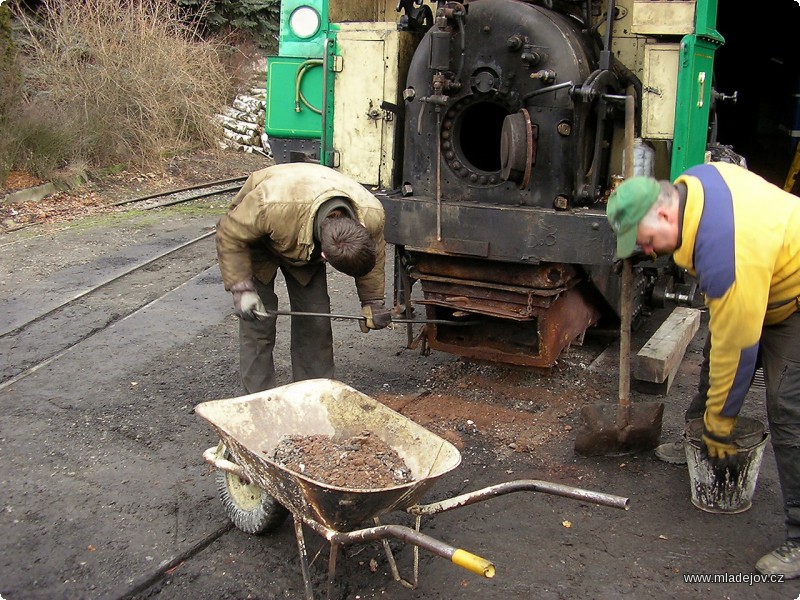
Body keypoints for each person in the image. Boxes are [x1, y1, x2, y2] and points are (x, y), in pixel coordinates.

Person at [606, 163, 800, 578]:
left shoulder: (725, 250)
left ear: (662, 214)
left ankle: (799, 539)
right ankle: (699, 444)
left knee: (786, 411)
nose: (651, 252)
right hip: (763, 277)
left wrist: (721, 422)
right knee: (717, 352)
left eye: (647, 241)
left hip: (794, 299)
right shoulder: (691, 184)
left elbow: (741, 350)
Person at [216, 162, 392, 393]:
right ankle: (258, 400)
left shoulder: (372, 213)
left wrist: (372, 302)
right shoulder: (268, 204)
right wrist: (241, 289)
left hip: (303, 229)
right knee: (257, 322)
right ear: (324, 256)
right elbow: (229, 234)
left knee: (316, 320)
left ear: (361, 226)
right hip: (258, 237)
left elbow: (374, 256)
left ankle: (314, 394)